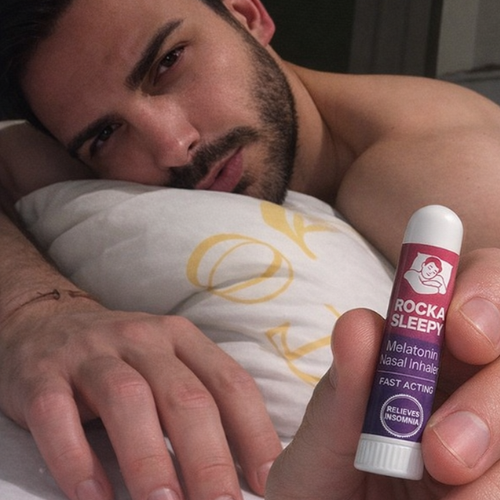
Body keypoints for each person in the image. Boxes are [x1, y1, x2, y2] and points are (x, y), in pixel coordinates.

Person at [2, 1, 500, 500]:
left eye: (167, 63)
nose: (173, 146)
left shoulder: (440, 170)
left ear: (247, 15)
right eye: (106, 134)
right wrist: (30, 312)